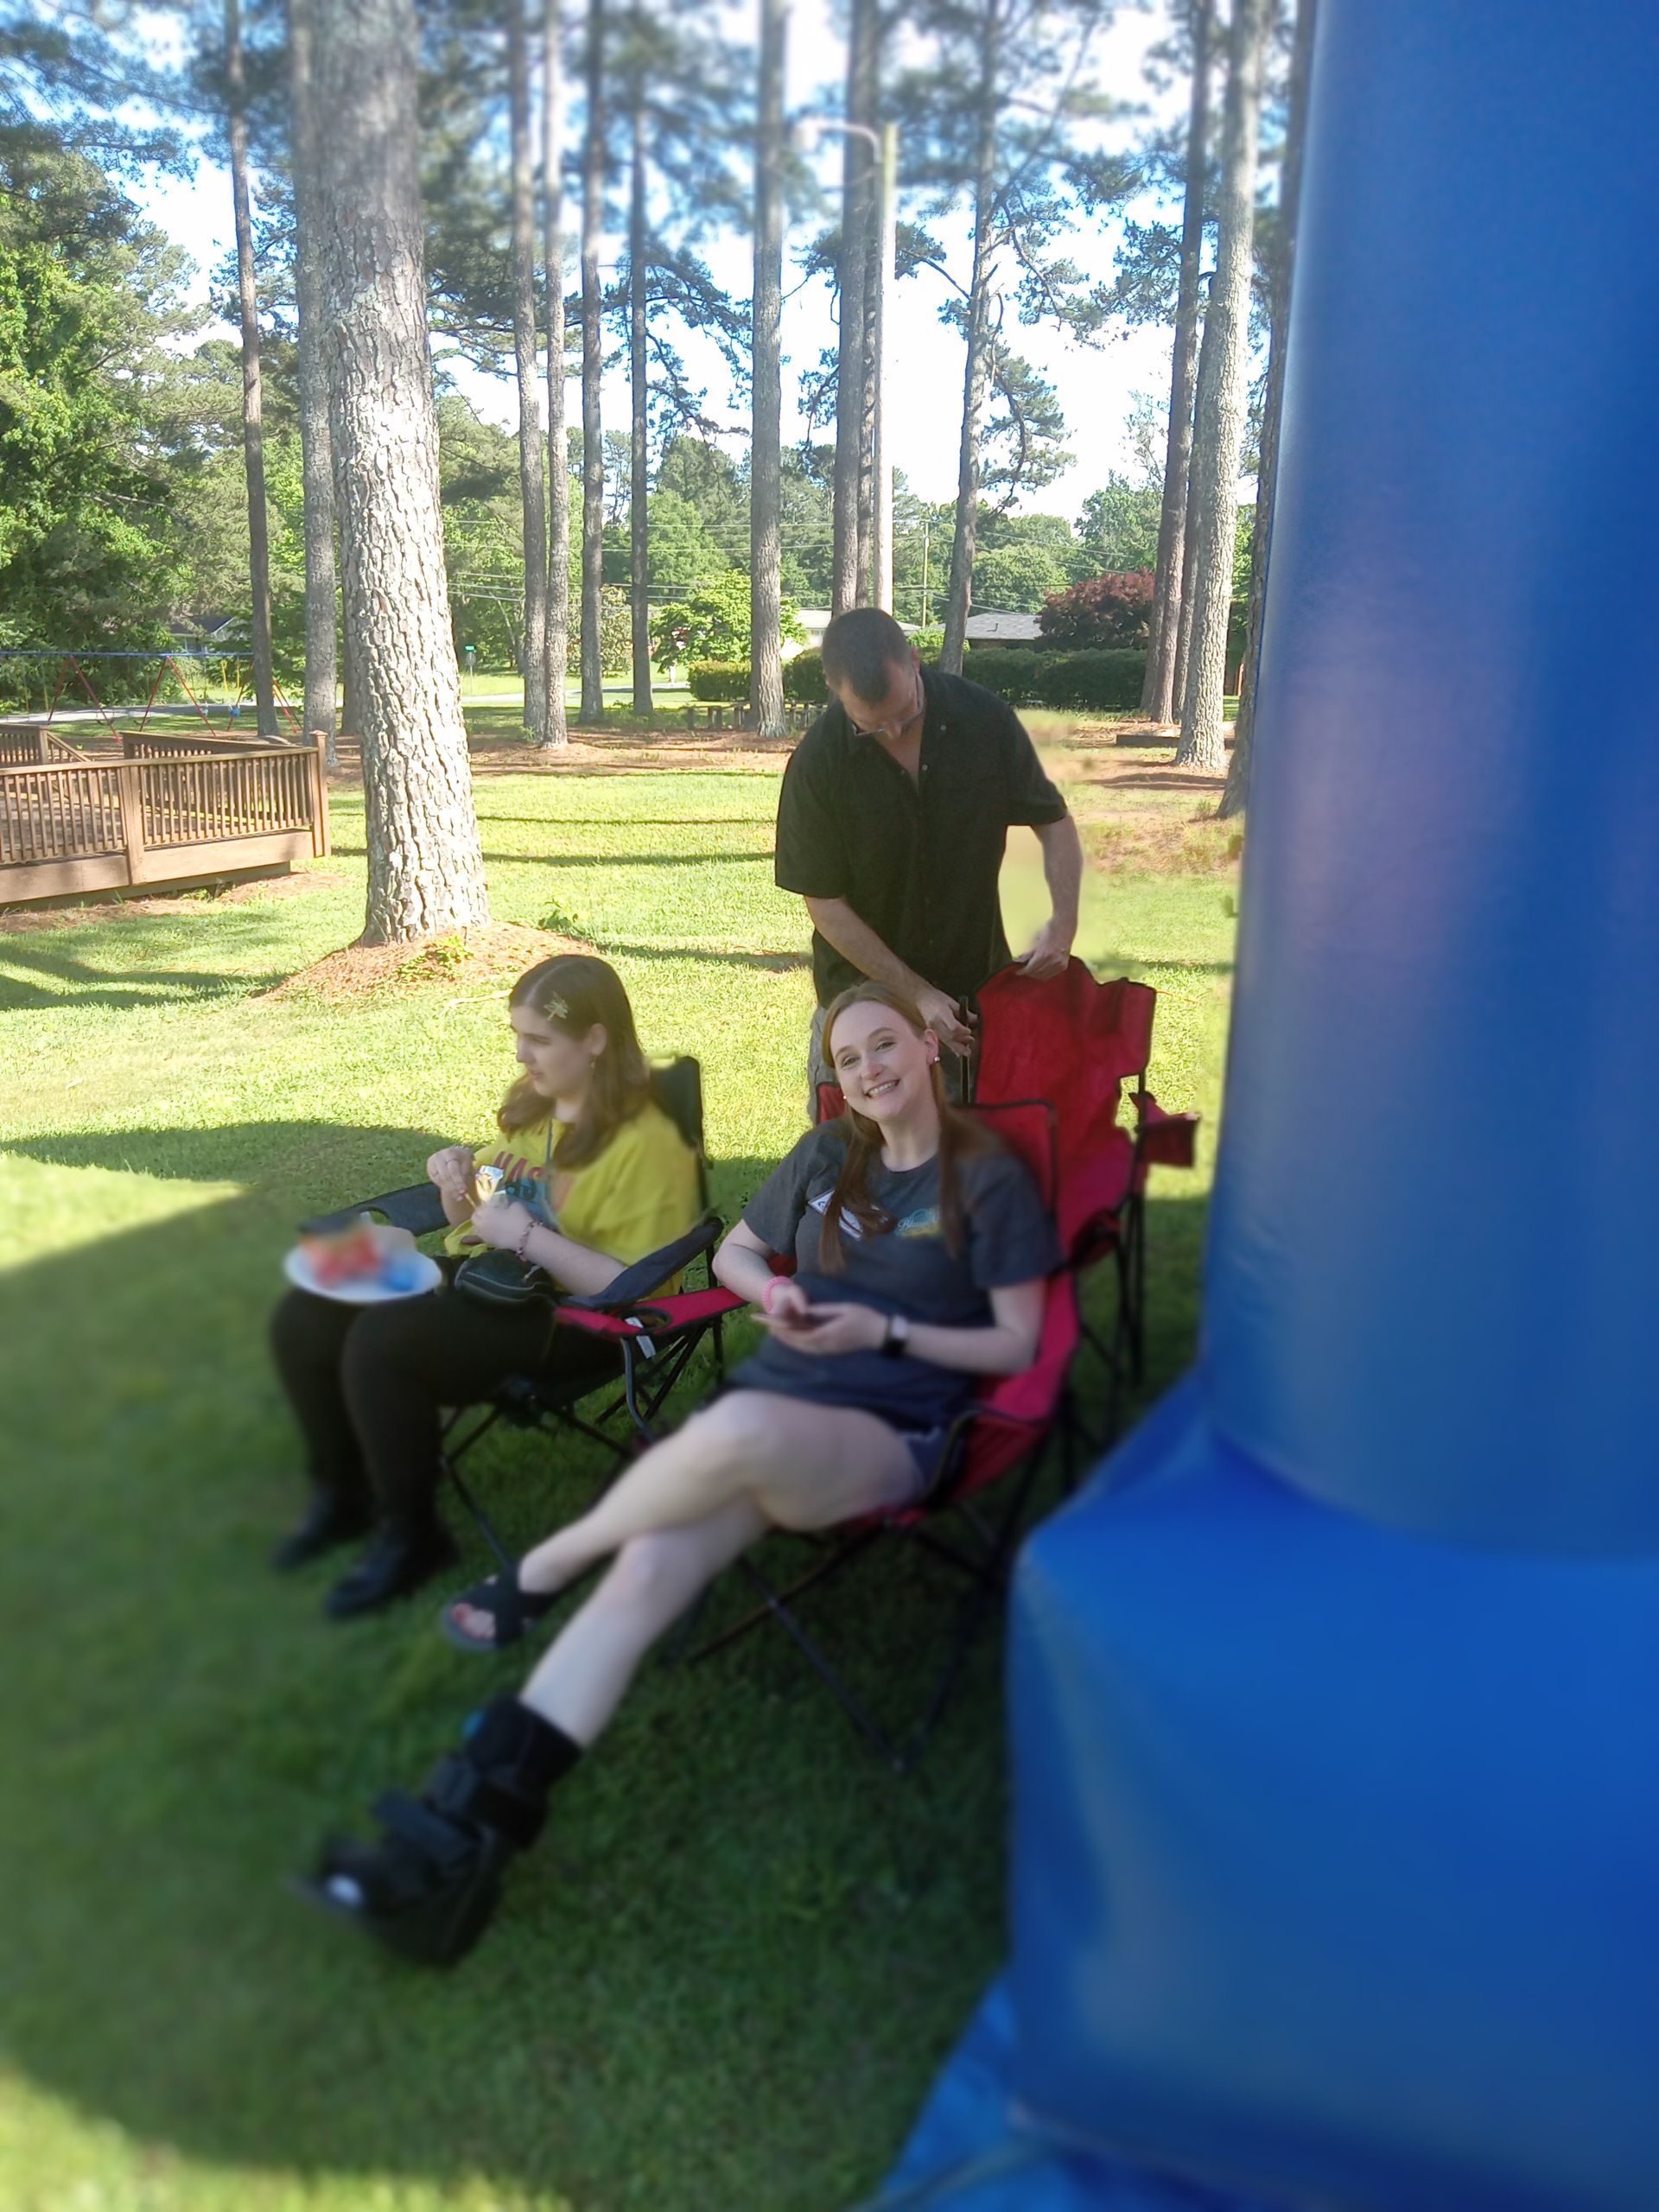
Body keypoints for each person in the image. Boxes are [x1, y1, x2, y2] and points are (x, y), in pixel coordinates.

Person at [297, 982, 1059, 1963]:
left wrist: (885, 1326)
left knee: (731, 1437)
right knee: (648, 1573)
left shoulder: (987, 1177)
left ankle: (540, 1568)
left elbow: (1019, 1343)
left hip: (894, 1428)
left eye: (886, 1045)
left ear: (926, 1042)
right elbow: (740, 1254)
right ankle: (467, 1827)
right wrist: (780, 1293)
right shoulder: (830, 1153)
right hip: (783, 1397)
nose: (870, 1069)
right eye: (850, 1056)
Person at [269, 954, 702, 1619]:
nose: (523, 1054)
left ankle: (413, 1539)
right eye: (518, 1036)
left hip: (581, 1317)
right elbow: (479, 1219)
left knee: (385, 1341)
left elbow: (634, 1287)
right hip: (491, 1281)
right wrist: (455, 1189)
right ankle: (342, 1497)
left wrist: (526, 1237)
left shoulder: (649, 1144)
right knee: (312, 1309)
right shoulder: (538, 1106)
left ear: (594, 1040)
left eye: (540, 1040)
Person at [775, 607, 1084, 1104]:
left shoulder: (983, 721)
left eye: (906, 714)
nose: (895, 733)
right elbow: (826, 904)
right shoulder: (818, 763)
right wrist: (915, 994)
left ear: (915, 662)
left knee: (976, 1159)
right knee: (862, 1168)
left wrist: (1063, 922)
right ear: (835, 690)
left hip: (971, 995)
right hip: (863, 1005)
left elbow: (1053, 821)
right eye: (872, 727)